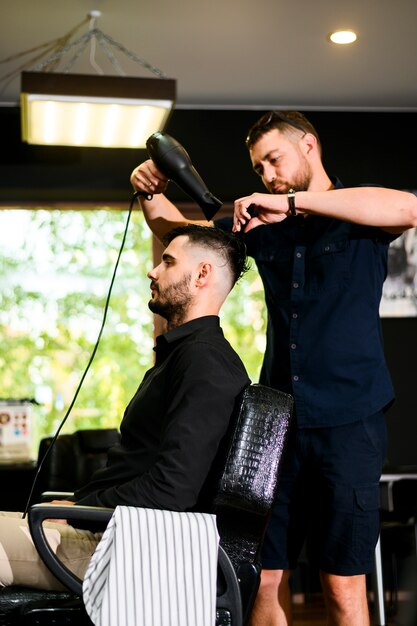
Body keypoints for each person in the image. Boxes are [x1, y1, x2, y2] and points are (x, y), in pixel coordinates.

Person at [130, 111, 417, 626]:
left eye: (273, 160)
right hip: (276, 423)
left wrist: (289, 202)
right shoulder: (262, 228)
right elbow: (179, 233)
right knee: (259, 575)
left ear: (309, 145)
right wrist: (149, 190)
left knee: (341, 583)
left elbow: (409, 206)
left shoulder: (359, 216)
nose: (266, 175)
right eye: (259, 167)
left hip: (350, 423)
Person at [0, 224, 250, 590]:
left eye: (167, 261)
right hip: (109, 536)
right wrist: (81, 509)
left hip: (124, 552)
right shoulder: (185, 356)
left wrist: (82, 514)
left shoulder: (204, 363)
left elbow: (173, 489)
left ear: (201, 274)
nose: (153, 270)